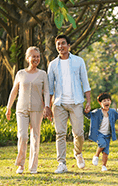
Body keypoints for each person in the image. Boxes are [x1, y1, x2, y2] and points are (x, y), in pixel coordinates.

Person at [47, 34, 91, 173]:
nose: (60, 46)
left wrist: (88, 101)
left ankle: (78, 153)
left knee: (78, 133)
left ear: (69, 45)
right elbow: (49, 88)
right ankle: (61, 163)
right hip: (59, 103)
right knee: (60, 133)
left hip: (76, 102)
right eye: (58, 44)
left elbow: (85, 82)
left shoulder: (79, 61)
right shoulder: (52, 64)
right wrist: (47, 106)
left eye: (63, 43)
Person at [5, 46, 50, 174]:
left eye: (38, 56)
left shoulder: (42, 74)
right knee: (23, 136)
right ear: (27, 58)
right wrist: (9, 108)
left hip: (37, 109)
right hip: (21, 109)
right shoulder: (20, 73)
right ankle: (20, 164)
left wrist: (47, 106)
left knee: (35, 137)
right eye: (33, 56)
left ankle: (33, 166)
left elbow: (46, 92)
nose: (36, 59)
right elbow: (14, 91)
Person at [84, 93, 118, 171]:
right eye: (104, 101)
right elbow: (89, 115)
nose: (107, 102)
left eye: (108, 100)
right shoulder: (97, 112)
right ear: (100, 103)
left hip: (108, 135)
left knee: (106, 152)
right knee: (102, 144)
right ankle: (96, 156)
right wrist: (86, 111)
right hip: (99, 134)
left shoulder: (113, 112)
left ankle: (104, 166)